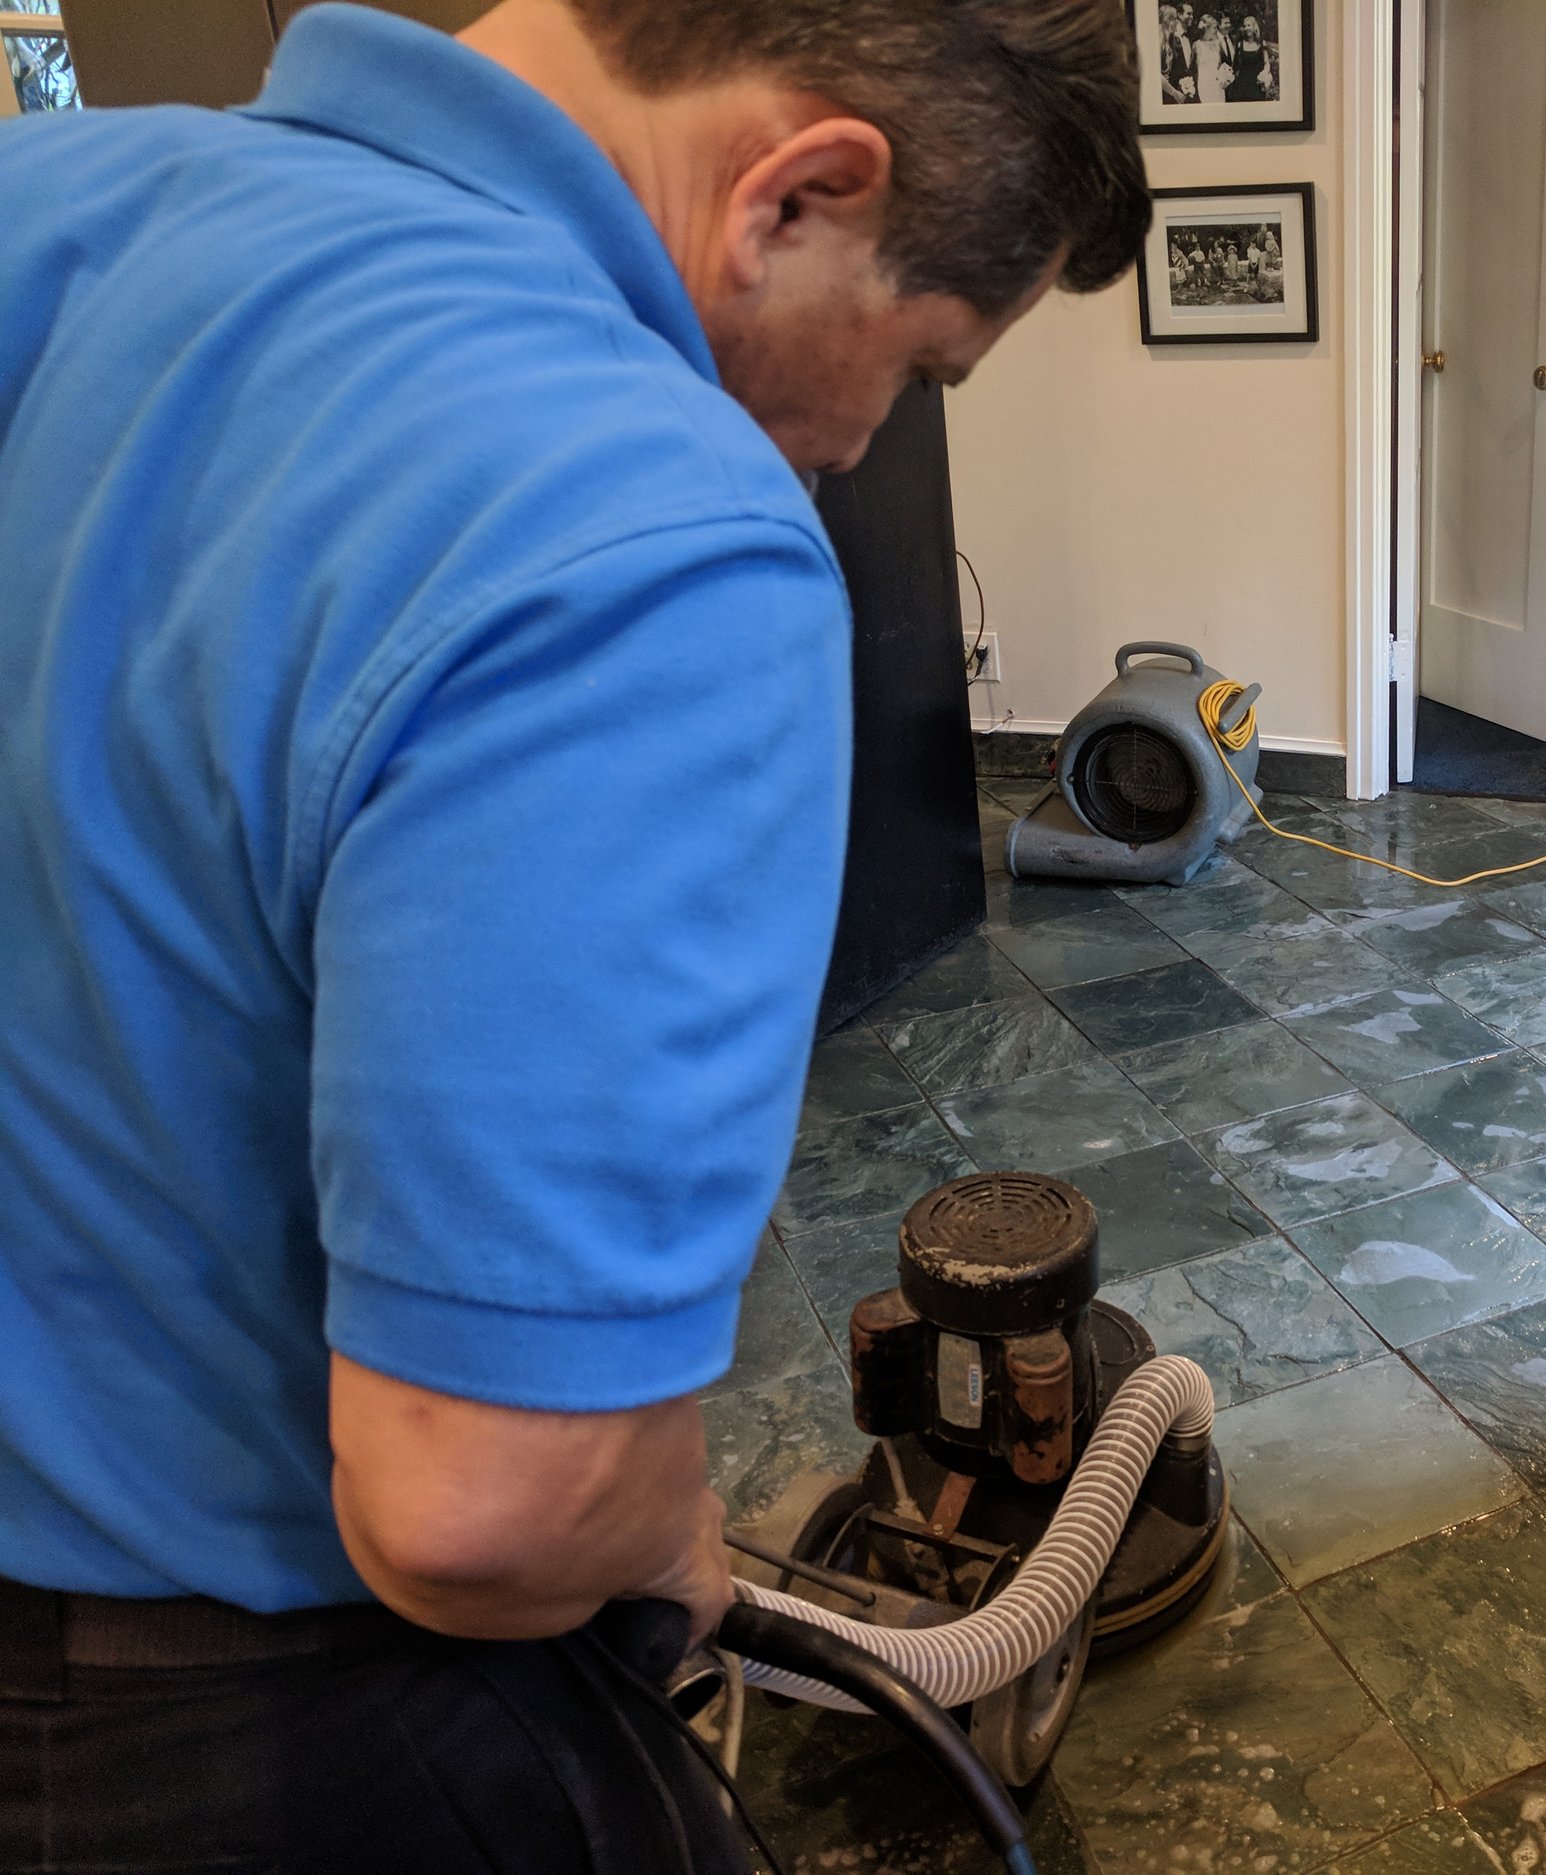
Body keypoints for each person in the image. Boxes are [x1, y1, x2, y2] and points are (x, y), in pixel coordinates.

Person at [0, 1, 1147, 1870]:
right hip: (235, 1726)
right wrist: (653, 1523)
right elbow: (488, 1514)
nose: (862, 442)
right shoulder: (650, 523)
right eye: (918, 364)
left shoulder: (42, 202)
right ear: (798, 194)